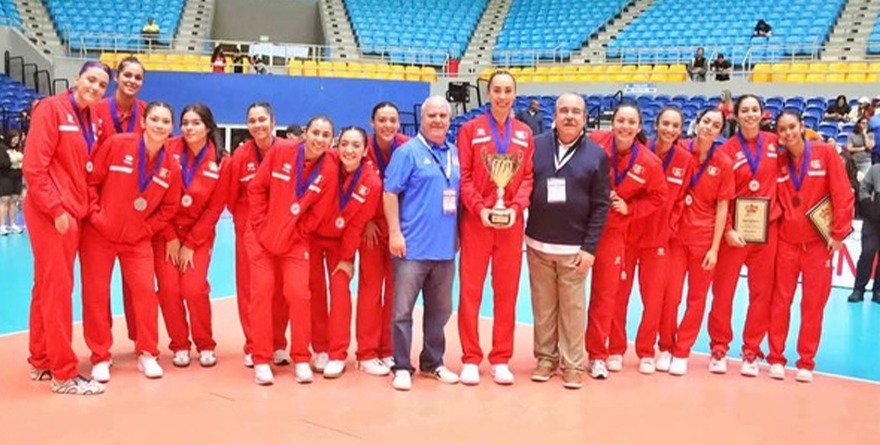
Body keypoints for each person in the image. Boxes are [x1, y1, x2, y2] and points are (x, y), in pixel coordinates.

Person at [23, 61, 110, 395]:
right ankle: (64, 373)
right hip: (52, 213)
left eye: (102, 85)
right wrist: (56, 209)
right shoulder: (51, 109)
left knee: (46, 286)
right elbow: (34, 167)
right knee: (58, 289)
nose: (95, 88)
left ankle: (41, 358)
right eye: (91, 80)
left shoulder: (91, 118)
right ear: (77, 78)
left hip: (72, 210)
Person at [80, 101, 182, 382]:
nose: (159, 125)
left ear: (171, 128)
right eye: (155, 119)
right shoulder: (118, 144)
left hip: (137, 240)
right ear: (144, 122)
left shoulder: (171, 166)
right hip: (99, 235)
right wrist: (96, 215)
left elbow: (170, 207)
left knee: (145, 294)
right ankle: (100, 355)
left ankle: (147, 353)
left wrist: (147, 229)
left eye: (165, 121)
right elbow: (91, 181)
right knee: (96, 295)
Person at [455, 71, 534, 386]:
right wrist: (480, 208)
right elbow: (463, 176)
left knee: (507, 292)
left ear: (515, 95)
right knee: (470, 292)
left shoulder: (525, 133)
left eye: (507, 91)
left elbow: (528, 177)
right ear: (488, 93)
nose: (502, 96)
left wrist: (515, 208)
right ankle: (470, 358)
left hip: (510, 224)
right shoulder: (470, 130)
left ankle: (501, 358)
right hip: (477, 222)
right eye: (497, 90)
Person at [525, 93, 609, 389]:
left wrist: (590, 248)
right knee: (543, 308)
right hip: (537, 244)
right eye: (564, 111)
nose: (570, 116)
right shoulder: (536, 146)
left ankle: (572, 364)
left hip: (574, 248)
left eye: (576, 112)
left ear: (585, 118)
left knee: (573, 310)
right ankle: (546, 358)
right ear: (555, 116)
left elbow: (601, 205)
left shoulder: (596, 155)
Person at [246, 114, 337, 385]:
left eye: (325, 135)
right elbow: (256, 188)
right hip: (261, 236)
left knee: (299, 295)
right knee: (262, 294)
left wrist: (297, 233)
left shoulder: (329, 169)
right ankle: (261, 359)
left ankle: (301, 358)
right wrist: (261, 224)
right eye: (315, 132)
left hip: (295, 241)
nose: (319, 139)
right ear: (305, 133)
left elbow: (318, 213)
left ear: (331, 140)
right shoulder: (281, 151)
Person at [768, 111, 853, 383]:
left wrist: (838, 233)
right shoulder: (779, 162)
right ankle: (776, 357)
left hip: (818, 244)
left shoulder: (825, 153)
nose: (788, 133)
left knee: (813, 305)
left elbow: (843, 193)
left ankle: (806, 361)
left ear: (802, 127)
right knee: (780, 301)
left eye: (792, 127)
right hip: (787, 242)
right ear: (778, 135)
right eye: (782, 129)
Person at [384, 96, 461, 391]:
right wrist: (395, 233)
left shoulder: (454, 153)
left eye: (443, 116)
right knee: (402, 312)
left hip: (445, 249)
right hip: (412, 248)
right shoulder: (407, 152)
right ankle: (402, 365)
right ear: (422, 118)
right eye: (432, 115)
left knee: (440, 312)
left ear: (449, 120)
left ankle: (432, 362)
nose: (437, 120)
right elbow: (390, 193)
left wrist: (457, 234)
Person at [587, 104, 667, 379]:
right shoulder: (595, 142)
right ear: (612, 123)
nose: (625, 126)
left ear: (639, 127)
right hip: (581, 227)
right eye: (621, 120)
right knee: (568, 293)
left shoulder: (649, 162)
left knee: (605, 294)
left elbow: (659, 197)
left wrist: (630, 209)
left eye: (631, 122)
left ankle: (597, 355)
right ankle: (564, 350)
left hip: (612, 232)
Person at [612, 107, 693, 374]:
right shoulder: (639, 151)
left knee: (654, 298)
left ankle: (646, 351)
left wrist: (670, 228)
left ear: (681, 130)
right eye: (665, 124)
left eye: (675, 126)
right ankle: (615, 349)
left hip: (659, 238)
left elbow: (680, 200)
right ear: (656, 125)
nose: (669, 129)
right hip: (629, 232)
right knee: (619, 295)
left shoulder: (684, 159)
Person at [710, 94, 780, 377]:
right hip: (735, 234)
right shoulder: (726, 150)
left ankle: (751, 350)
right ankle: (719, 348)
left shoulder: (775, 144)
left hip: (767, 232)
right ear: (735, 116)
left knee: (761, 294)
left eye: (755, 109)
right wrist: (727, 229)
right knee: (723, 292)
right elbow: (722, 196)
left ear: (762, 114)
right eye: (745, 110)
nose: (750, 114)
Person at [154, 104, 229, 368]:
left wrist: (191, 242)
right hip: (165, 231)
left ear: (208, 127)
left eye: (196, 123)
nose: (189, 128)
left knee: (193, 288)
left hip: (199, 234)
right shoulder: (167, 150)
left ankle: (205, 343)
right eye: (185, 123)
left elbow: (215, 207)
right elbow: (156, 196)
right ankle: (179, 345)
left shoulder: (222, 160)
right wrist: (170, 236)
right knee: (168, 290)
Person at [309, 126, 382, 378]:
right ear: (336, 146)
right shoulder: (326, 160)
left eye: (356, 145)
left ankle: (338, 354)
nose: (349, 150)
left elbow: (357, 224)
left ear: (365, 150)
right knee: (314, 292)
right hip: (312, 236)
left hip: (340, 242)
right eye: (344, 144)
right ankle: (320, 348)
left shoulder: (372, 182)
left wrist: (347, 258)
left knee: (340, 293)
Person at [226, 103, 295, 369]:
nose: (258, 125)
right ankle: (254, 345)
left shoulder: (289, 151)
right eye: (252, 121)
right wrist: (245, 224)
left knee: (281, 289)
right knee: (251, 289)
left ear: (273, 121)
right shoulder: (241, 155)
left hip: (282, 229)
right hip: (249, 229)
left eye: (262, 119)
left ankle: (277, 343)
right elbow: (232, 197)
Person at [664, 109, 733, 376]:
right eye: (706, 121)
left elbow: (723, 207)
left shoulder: (723, 162)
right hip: (676, 236)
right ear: (697, 122)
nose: (709, 127)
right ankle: (666, 346)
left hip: (704, 239)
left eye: (715, 125)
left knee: (697, 298)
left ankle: (682, 350)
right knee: (670, 296)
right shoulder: (679, 149)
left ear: (720, 132)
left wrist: (715, 248)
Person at [92, 56, 148, 344]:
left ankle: (142, 343)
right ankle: (102, 348)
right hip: (101, 207)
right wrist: (93, 209)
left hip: (134, 210)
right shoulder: (97, 110)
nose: (132, 81)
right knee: (98, 287)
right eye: (127, 75)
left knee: (138, 283)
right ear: (117, 77)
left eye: (138, 77)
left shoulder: (147, 113)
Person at [356, 101, 410, 376]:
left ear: (398, 123)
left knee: (395, 292)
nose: (387, 125)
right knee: (369, 290)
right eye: (382, 120)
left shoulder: (408, 147)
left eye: (392, 120)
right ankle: (366, 353)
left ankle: (388, 349)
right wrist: (364, 221)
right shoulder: (360, 146)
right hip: (372, 231)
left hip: (399, 230)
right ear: (372, 122)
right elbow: (348, 183)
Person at [850, 162, 880, 304]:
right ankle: (858, 289)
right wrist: (869, 205)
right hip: (872, 219)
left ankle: (878, 291)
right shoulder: (875, 169)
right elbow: (863, 188)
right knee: (867, 252)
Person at [0, 130, 25, 235]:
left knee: (14, 200)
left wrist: (18, 162)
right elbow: (3, 163)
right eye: (14, 139)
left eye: (17, 139)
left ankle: (13, 224)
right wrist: (14, 161)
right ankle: (2, 225)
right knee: (5, 200)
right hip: (6, 177)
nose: (15, 141)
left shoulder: (18, 149)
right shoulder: (2, 148)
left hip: (17, 177)